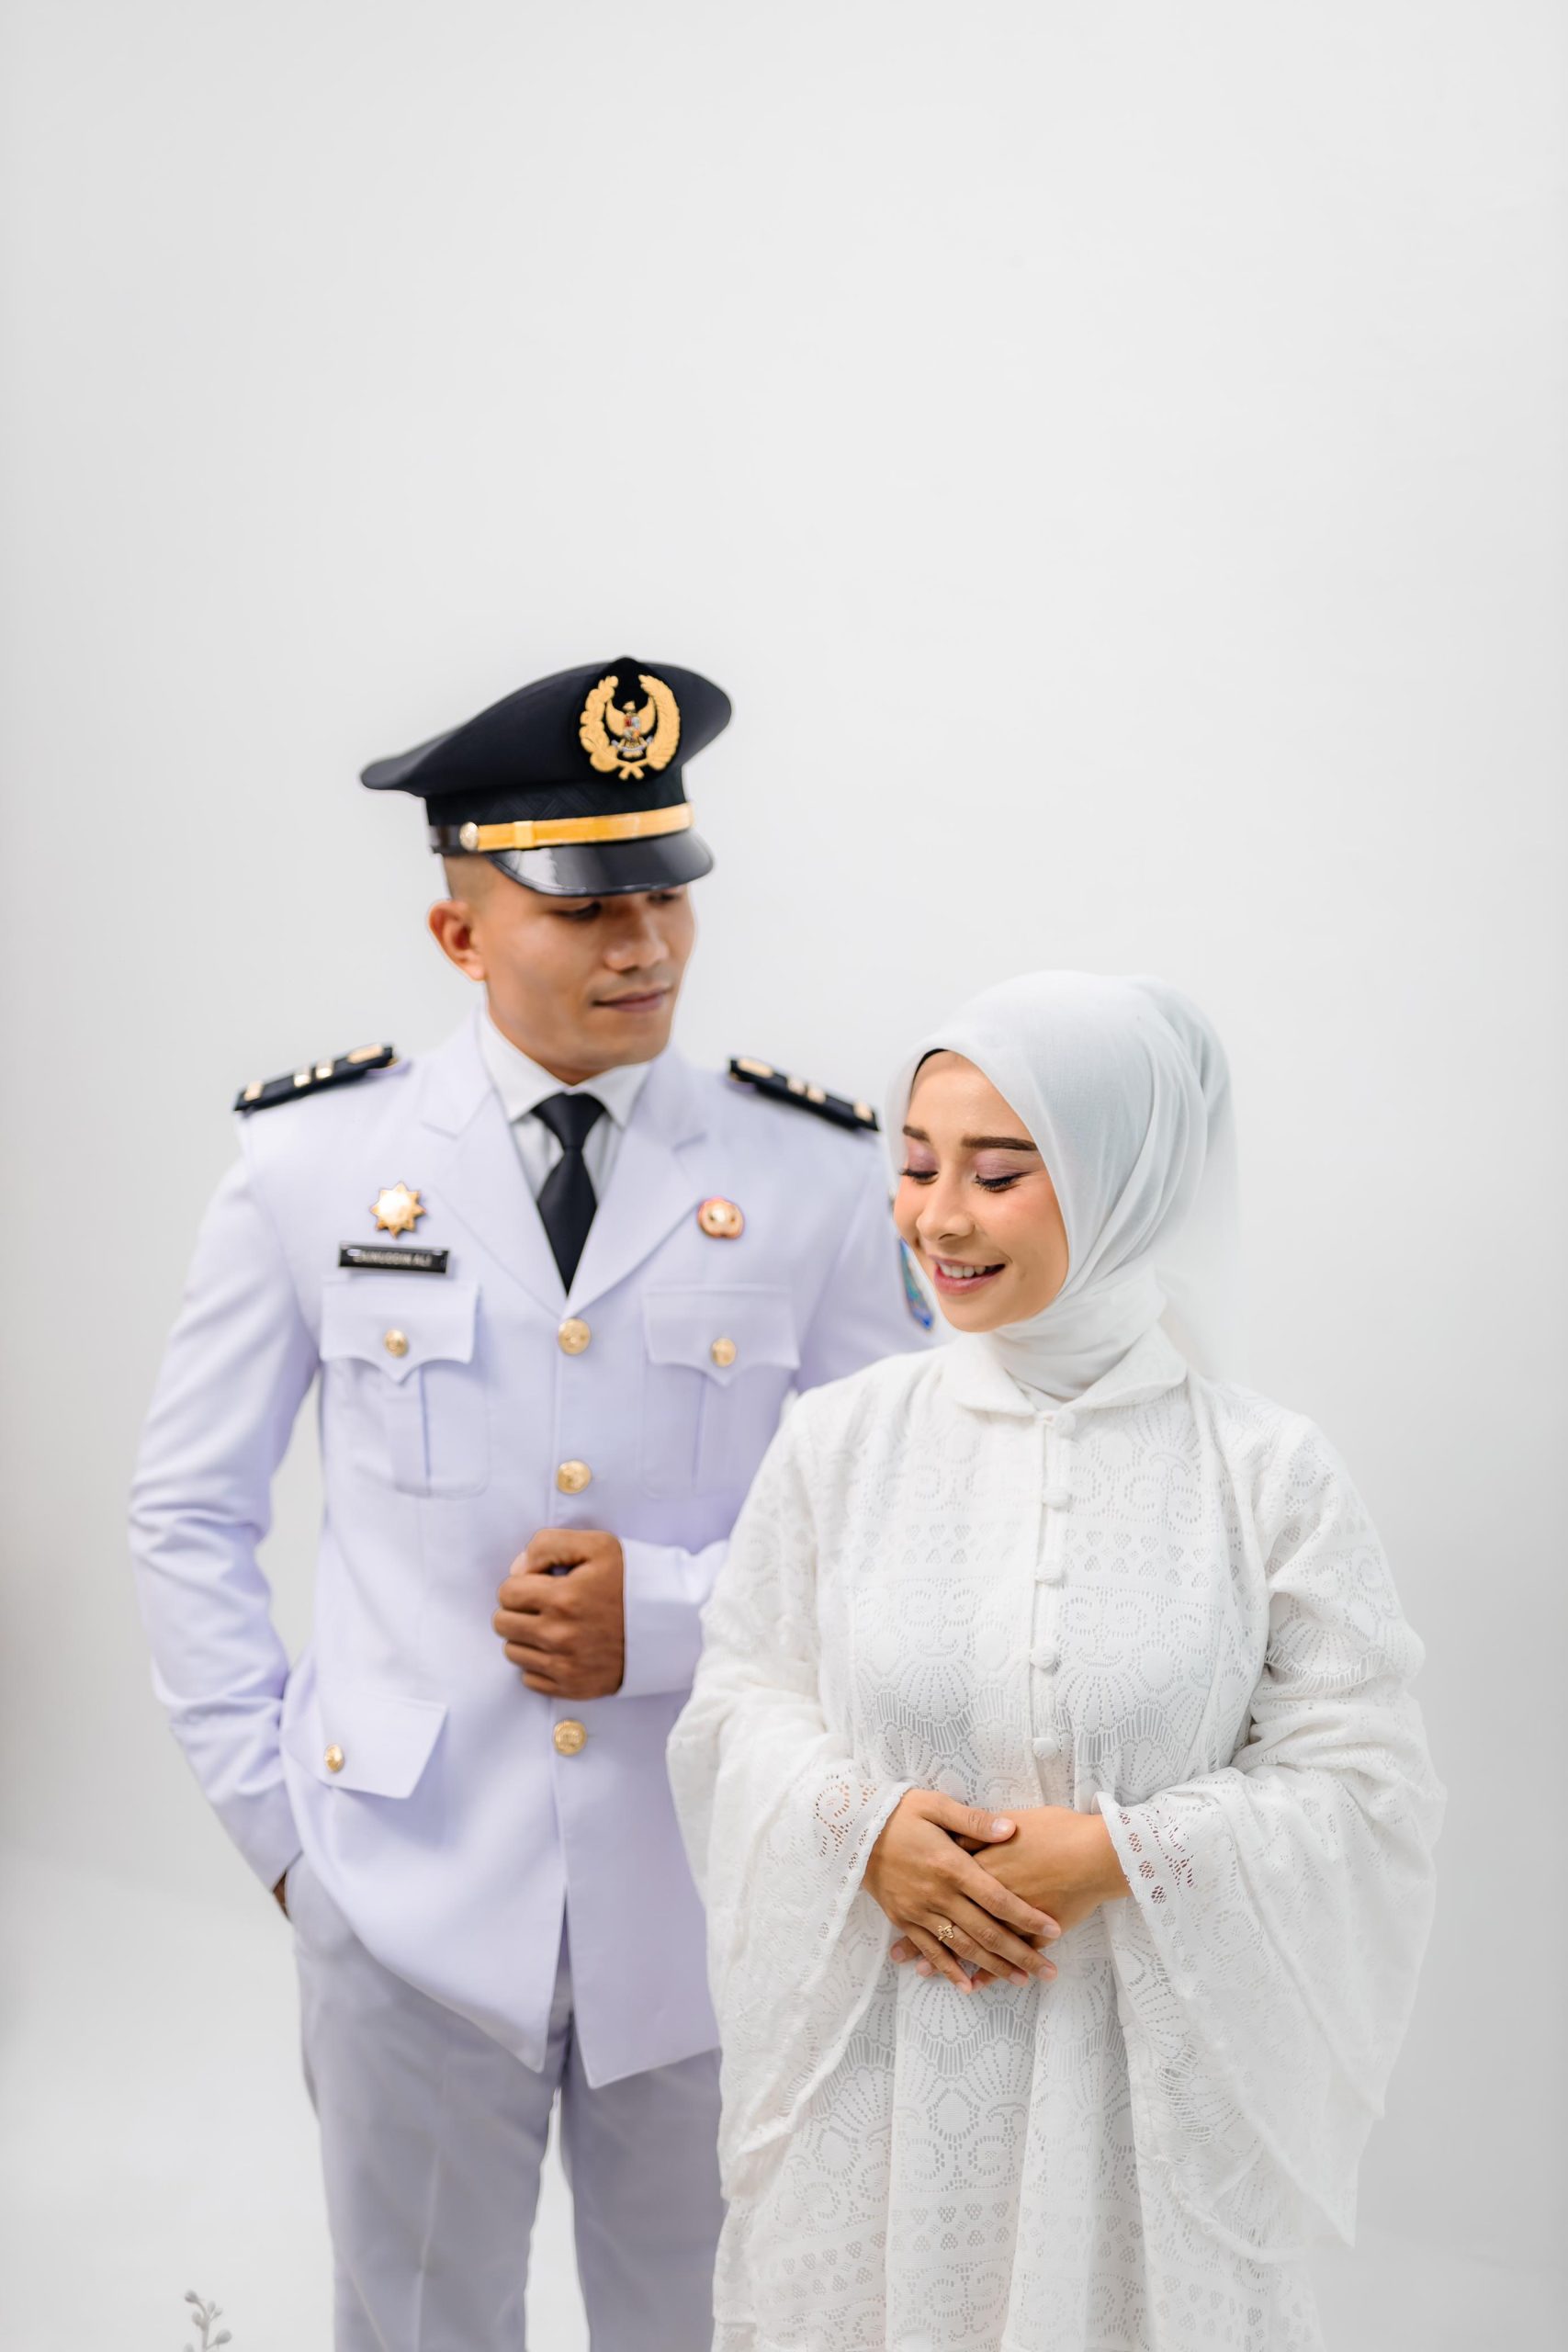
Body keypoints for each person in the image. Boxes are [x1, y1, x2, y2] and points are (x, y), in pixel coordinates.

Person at [129, 656, 931, 2352]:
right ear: (461, 933)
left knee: (707, 2329)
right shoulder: (311, 1167)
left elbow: (908, 1522)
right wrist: (283, 1845)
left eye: (666, 894)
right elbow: (188, 1510)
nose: (644, 944)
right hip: (400, 1893)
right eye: (584, 907)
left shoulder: (811, 1175)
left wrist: (676, 1620)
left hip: (711, 1901)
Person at [668, 969, 1442, 2352]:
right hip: (876, 2114)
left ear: (1121, 1179)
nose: (938, 1216)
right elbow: (738, 1710)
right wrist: (864, 1833)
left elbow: (1367, 1788)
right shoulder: (843, 1443)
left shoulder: (1265, 1473)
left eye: (998, 1172)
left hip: (1141, 2138)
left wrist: (1119, 1855)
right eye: (916, 1165)